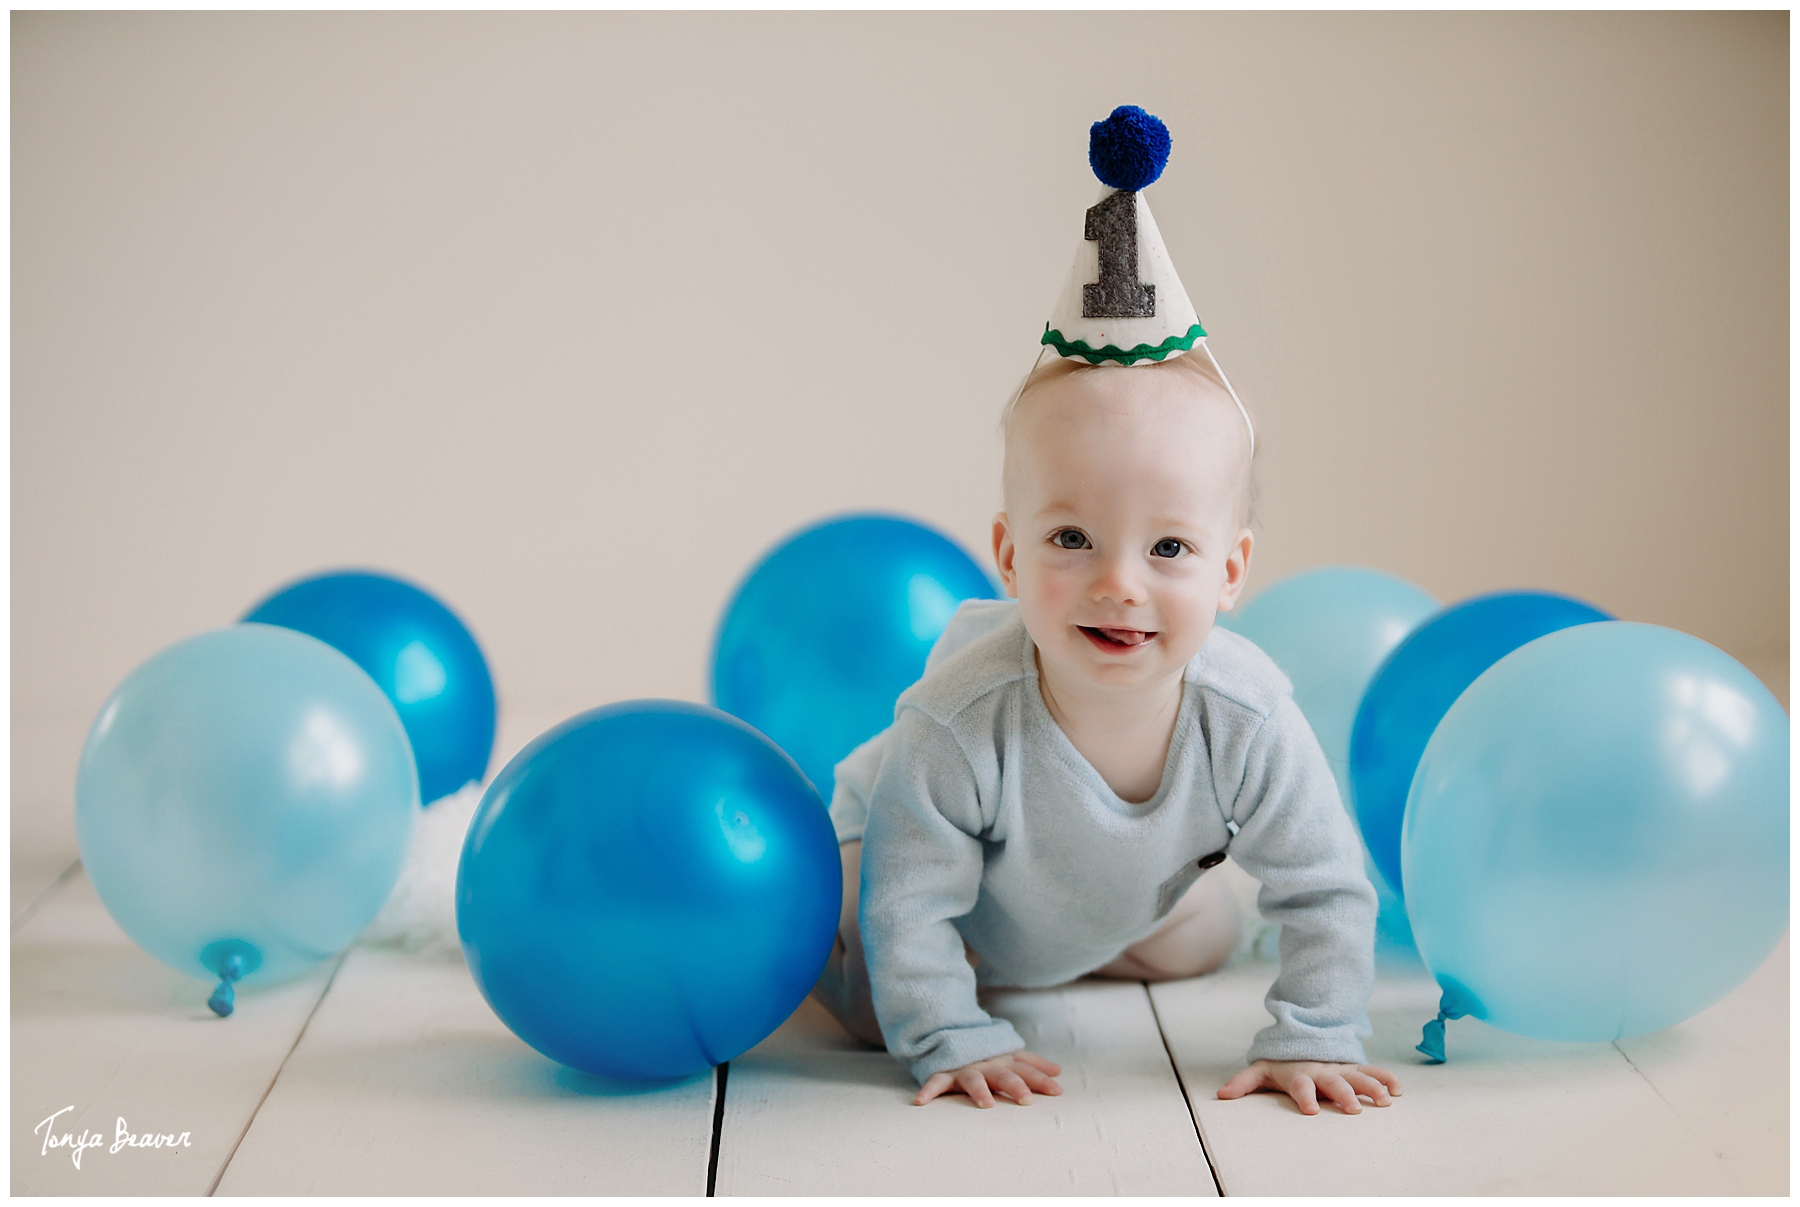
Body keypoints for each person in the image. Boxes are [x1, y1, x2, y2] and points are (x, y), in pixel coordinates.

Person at [809, 106, 1401, 1118]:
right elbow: (912, 902)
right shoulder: (962, 718)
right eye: (1072, 540)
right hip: (903, 878)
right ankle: (959, 980)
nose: (1119, 584)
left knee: (1204, 934)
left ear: (1231, 572)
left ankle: (1058, 955)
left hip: (1090, 901)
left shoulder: (1247, 714)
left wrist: (1315, 1033)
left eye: (1169, 548)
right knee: (866, 980)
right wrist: (949, 1029)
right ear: (1007, 552)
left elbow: (1327, 885)